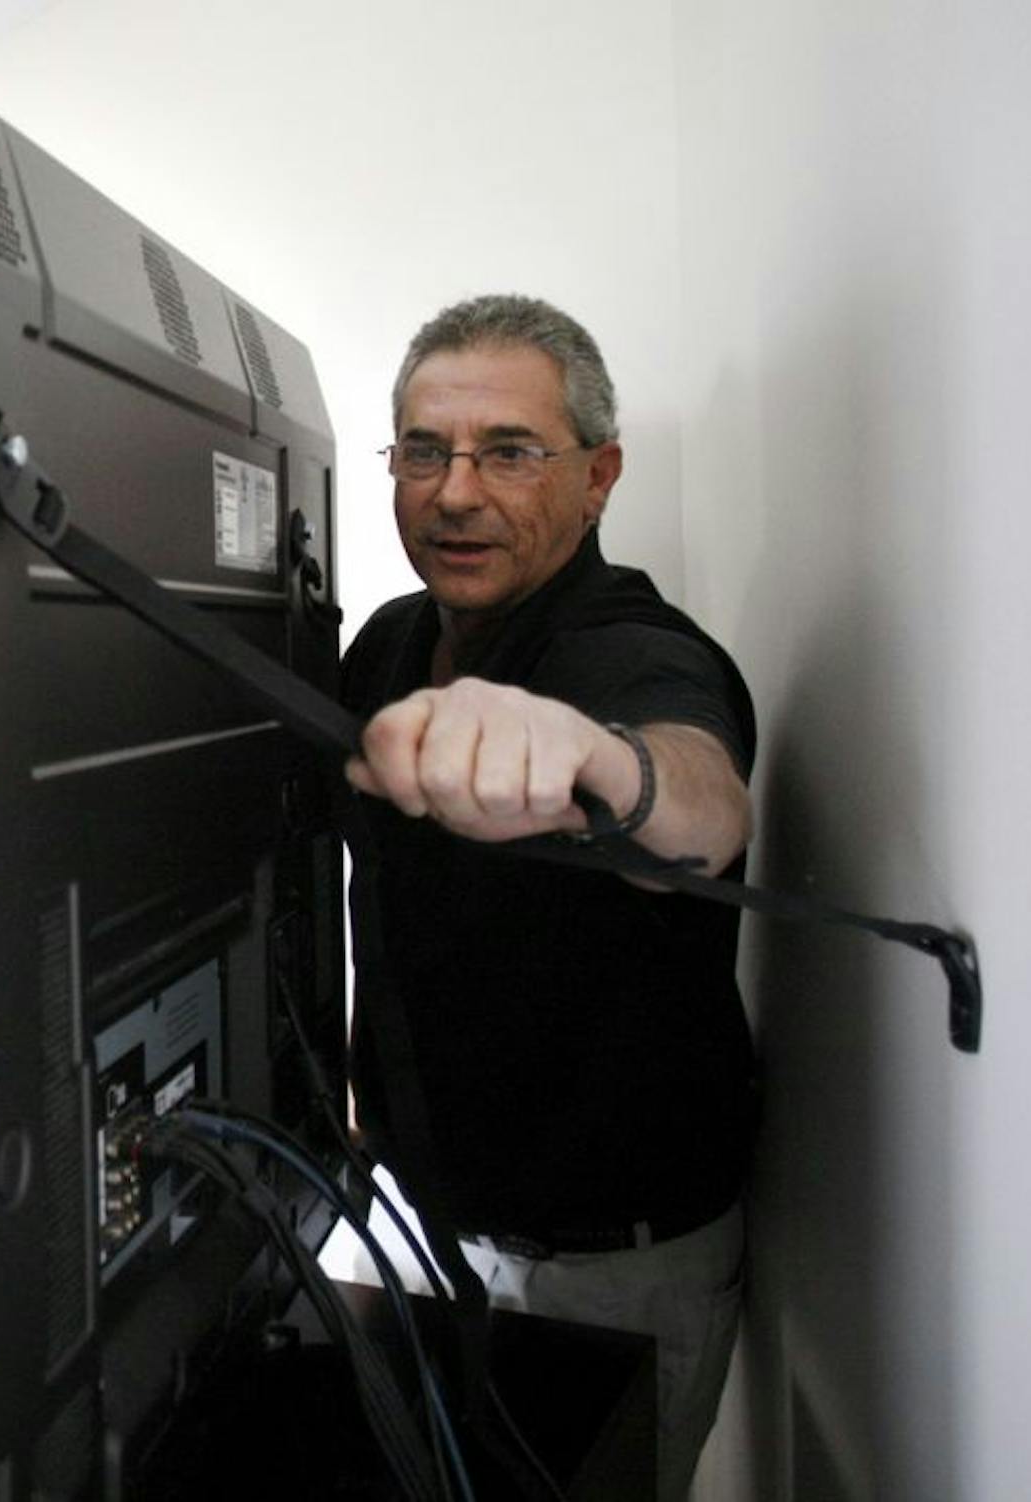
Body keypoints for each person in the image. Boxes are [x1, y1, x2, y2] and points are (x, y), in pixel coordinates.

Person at [338, 294, 757, 1499]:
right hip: (417, 1229)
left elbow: (704, 800)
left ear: (597, 477)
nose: (456, 492)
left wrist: (594, 759)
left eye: (510, 451)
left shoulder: (632, 646)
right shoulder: (387, 644)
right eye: (426, 450)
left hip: (606, 1278)